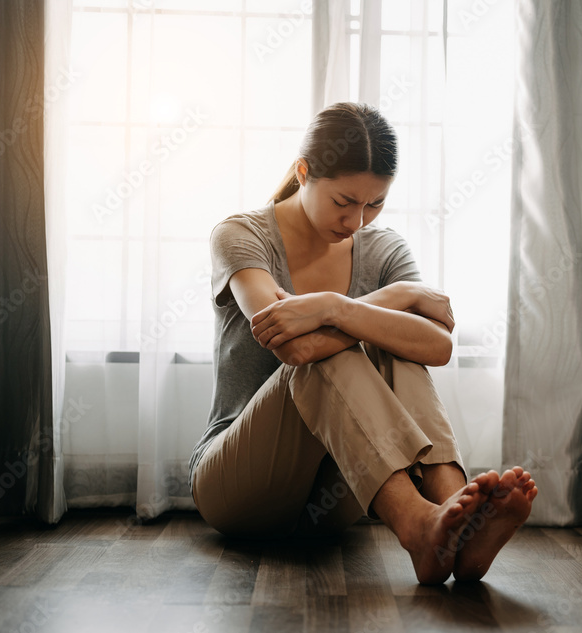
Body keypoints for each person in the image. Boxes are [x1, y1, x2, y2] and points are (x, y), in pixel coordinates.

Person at [187, 102, 537, 584]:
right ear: (304, 172)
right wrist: (391, 298)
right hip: (240, 488)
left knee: (396, 344)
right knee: (335, 350)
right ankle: (418, 526)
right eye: (344, 201)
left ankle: (457, 509)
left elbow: (437, 347)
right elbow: (295, 349)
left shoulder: (383, 248)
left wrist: (337, 308)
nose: (357, 220)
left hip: (338, 495)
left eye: (375, 204)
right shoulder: (241, 235)